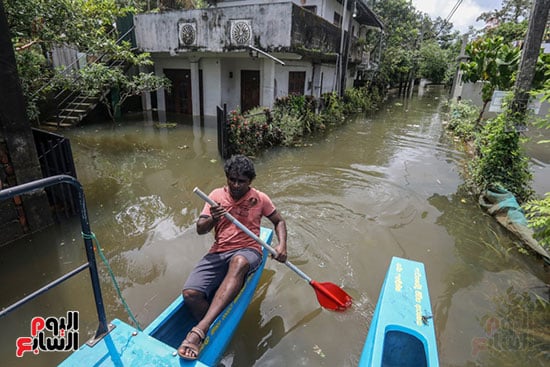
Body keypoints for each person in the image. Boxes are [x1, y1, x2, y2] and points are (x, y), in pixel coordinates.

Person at [178, 154, 288, 360]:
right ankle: (217, 322)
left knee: (239, 262)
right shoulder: (216, 196)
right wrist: (213, 217)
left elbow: (279, 221)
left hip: (249, 249)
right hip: (219, 250)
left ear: (250, 181)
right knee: (191, 294)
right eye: (232, 179)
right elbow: (200, 229)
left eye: (242, 181)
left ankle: (199, 330)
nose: (236, 185)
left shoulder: (260, 198)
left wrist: (282, 246)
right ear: (227, 177)